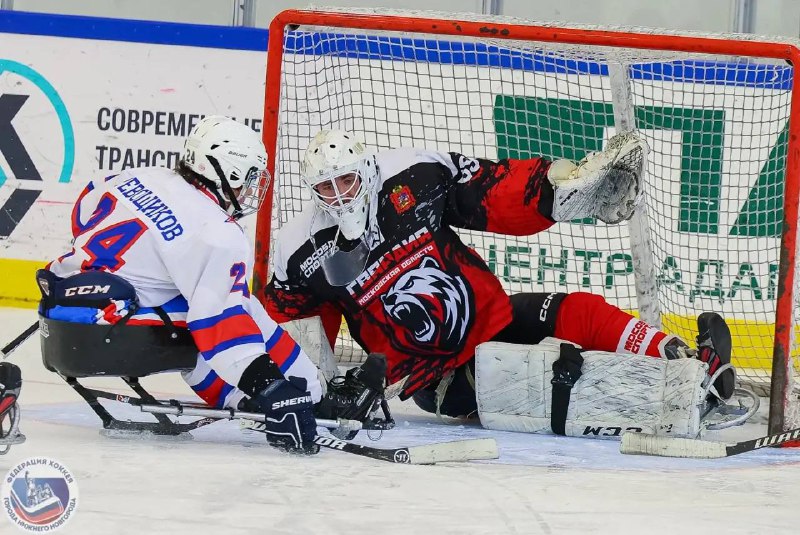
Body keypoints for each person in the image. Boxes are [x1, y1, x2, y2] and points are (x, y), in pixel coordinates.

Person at [263, 129, 737, 424]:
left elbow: (488, 190)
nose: (339, 195)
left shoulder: (414, 176)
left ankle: (689, 363)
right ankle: (667, 399)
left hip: (491, 319)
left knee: (580, 311)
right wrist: (301, 390)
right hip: (437, 377)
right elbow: (296, 332)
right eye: (325, 187)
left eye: (345, 180)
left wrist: (551, 192)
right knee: (549, 373)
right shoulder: (299, 250)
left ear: (365, 169)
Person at [41, 116, 320, 454]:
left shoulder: (138, 176)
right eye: (247, 178)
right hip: (106, 334)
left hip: (60, 309)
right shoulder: (217, 232)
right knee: (223, 308)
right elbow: (219, 324)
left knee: (222, 297)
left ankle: (301, 385)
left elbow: (82, 212)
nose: (249, 190)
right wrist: (271, 388)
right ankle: (296, 391)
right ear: (228, 171)